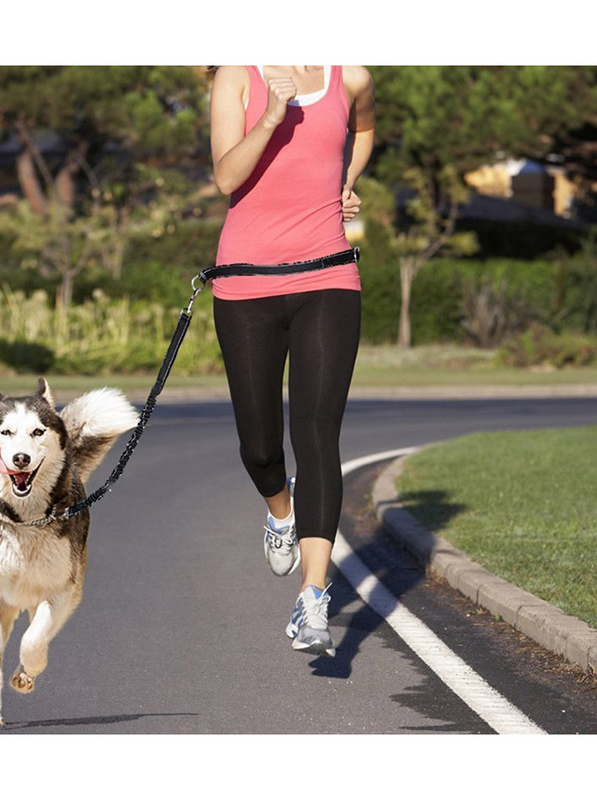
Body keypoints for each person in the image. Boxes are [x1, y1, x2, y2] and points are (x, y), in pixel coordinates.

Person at [209, 65, 375, 657]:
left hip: (329, 276)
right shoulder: (238, 74)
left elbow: (364, 132)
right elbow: (227, 175)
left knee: (316, 432)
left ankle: (313, 596)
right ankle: (281, 510)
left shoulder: (349, 74)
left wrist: (343, 180)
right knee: (259, 445)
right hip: (244, 284)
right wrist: (274, 118)